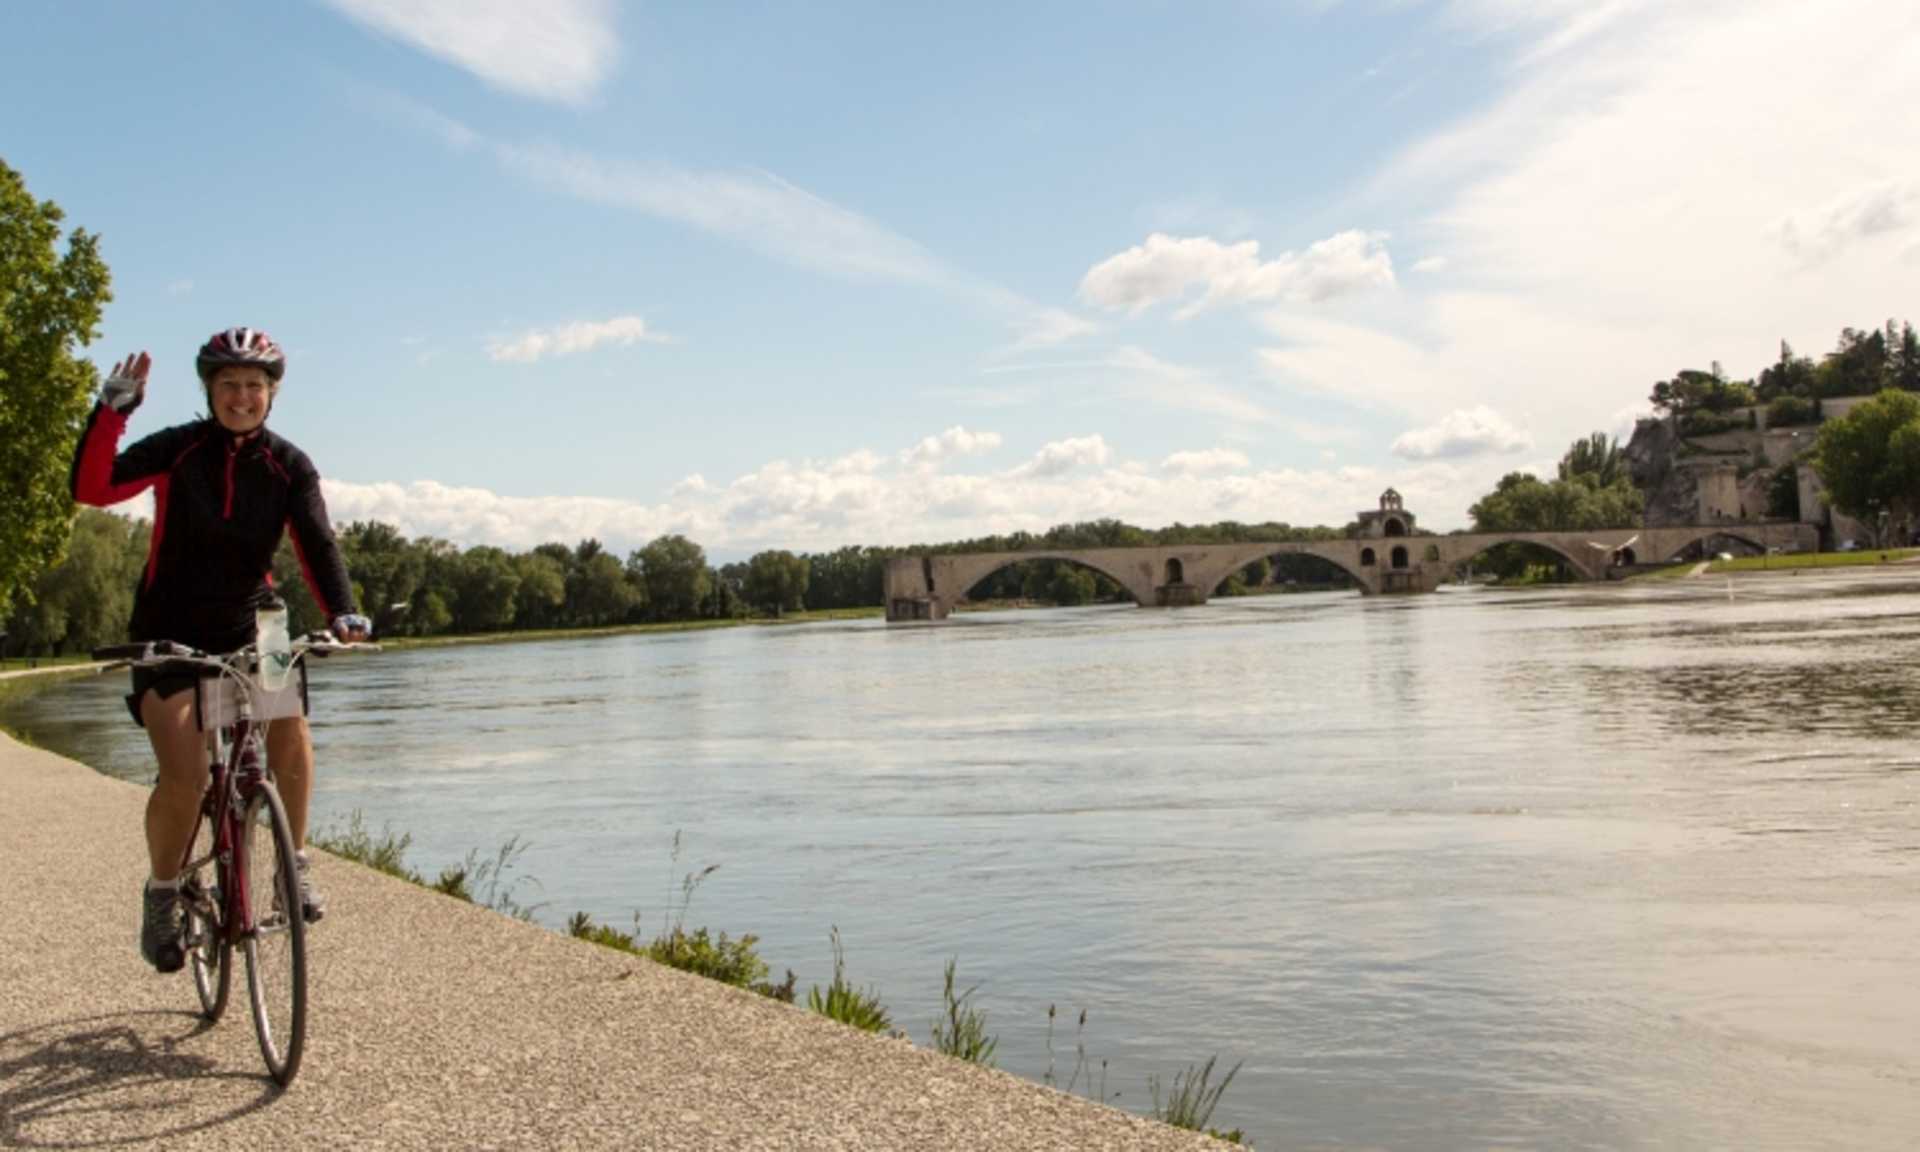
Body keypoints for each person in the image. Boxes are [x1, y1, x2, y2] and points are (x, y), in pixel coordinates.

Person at [70, 326, 372, 973]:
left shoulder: (288, 465)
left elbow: (317, 544)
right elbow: (93, 488)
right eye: (230, 385)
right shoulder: (178, 450)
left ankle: (293, 866)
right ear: (210, 390)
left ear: (272, 395)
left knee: (288, 725)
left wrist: (342, 611)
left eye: (255, 386)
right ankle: (161, 893)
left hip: (252, 626)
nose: (242, 397)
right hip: (169, 628)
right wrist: (110, 414)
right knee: (182, 771)